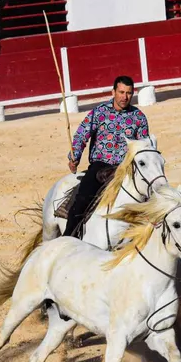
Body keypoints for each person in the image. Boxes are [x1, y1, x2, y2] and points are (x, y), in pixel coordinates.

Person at [63, 76, 151, 239]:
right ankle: (68, 239)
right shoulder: (99, 112)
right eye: (121, 92)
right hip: (100, 167)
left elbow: (143, 146)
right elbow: (82, 135)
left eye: (129, 93)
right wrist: (74, 156)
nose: (125, 97)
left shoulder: (139, 117)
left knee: (150, 201)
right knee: (82, 199)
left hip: (126, 168)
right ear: (113, 92)